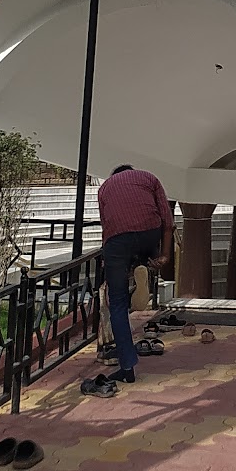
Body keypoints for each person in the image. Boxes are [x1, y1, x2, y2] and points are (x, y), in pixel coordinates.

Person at [94, 164, 173, 384]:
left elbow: (106, 226)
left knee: (117, 303)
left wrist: (110, 262)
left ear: (114, 176)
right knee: (147, 240)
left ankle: (127, 368)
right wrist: (165, 256)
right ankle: (147, 262)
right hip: (150, 234)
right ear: (131, 171)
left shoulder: (105, 188)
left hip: (118, 241)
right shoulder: (149, 177)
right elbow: (168, 222)